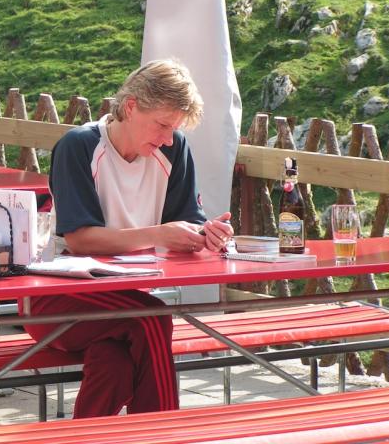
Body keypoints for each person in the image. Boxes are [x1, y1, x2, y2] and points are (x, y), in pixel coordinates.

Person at [23, 58, 234, 418]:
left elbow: (187, 223)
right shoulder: (78, 146)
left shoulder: (174, 149)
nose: (168, 138)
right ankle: (162, 434)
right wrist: (160, 234)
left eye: (174, 128)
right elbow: (81, 240)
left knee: (114, 365)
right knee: (152, 318)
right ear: (131, 106)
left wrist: (207, 234)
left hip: (125, 295)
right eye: (163, 125)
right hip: (55, 296)